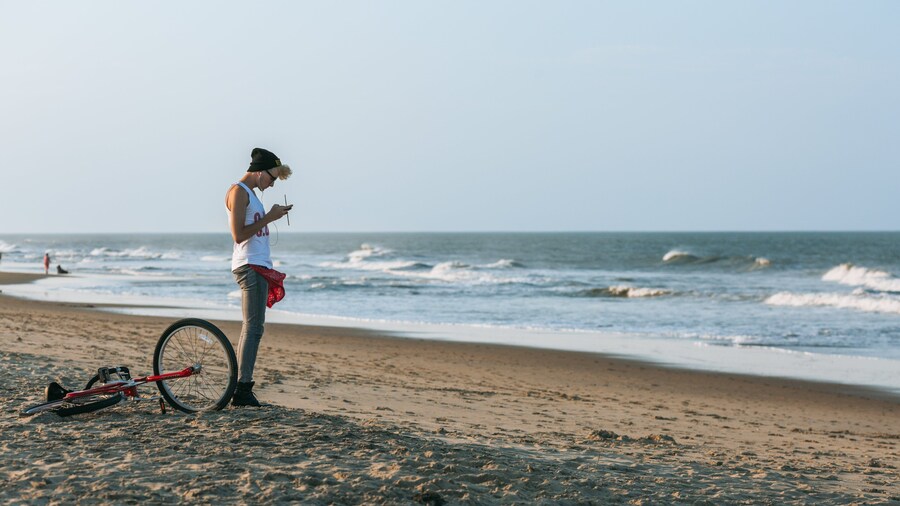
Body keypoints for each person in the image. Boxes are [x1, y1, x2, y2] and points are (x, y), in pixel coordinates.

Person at [225, 147, 293, 407]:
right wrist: (269, 218)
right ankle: (242, 390)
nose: (272, 184)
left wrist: (269, 216)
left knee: (254, 328)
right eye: (272, 178)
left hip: (259, 266)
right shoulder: (238, 192)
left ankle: (243, 387)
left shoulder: (252, 194)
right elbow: (238, 235)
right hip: (249, 266)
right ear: (260, 171)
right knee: (253, 328)